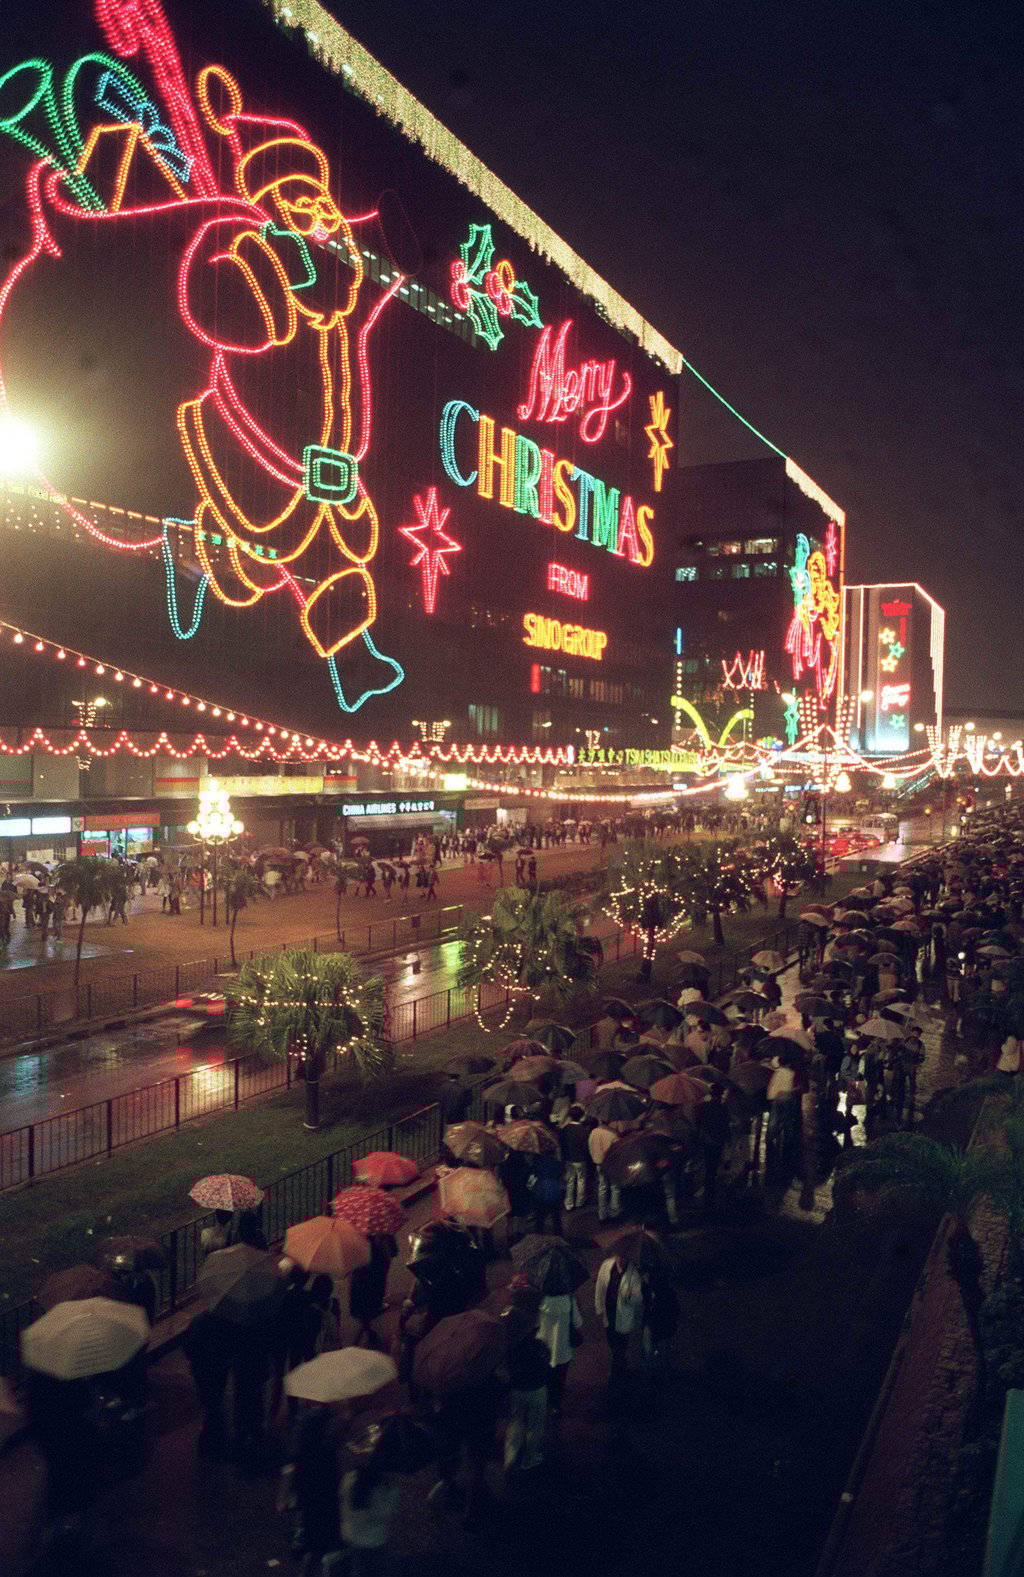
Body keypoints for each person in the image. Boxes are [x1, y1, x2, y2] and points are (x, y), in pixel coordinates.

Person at [339, 1451, 402, 1575]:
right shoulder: (377, 1489)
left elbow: (340, 1498)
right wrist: (394, 1488)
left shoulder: (349, 1478)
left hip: (350, 1534)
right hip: (372, 1539)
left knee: (358, 1565)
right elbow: (387, 1513)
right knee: (379, 1569)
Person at [503, 1319, 550, 1474]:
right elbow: (547, 1362)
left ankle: (510, 1456)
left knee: (516, 1422)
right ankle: (529, 1459)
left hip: (516, 1390)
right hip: (536, 1389)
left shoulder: (509, 1347)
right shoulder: (539, 1346)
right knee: (534, 1426)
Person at [595, 1251, 645, 1390]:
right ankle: (621, 1364)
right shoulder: (606, 1266)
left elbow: (638, 1299)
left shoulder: (633, 1274)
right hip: (609, 1315)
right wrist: (599, 1307)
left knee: (620, 1347)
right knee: (612, 1343)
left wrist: (629, 1296)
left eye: (624, 1256)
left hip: (623, 1318)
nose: (621, 1259)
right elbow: (600, 1287)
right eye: (619, 1255)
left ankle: (616, 1374)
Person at [536, 1286, 584, 1414]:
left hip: (544, 1347)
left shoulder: (540, 1300)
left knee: (547, 1376)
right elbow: (578, 1323)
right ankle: (556, 1405)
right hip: (563, 1348)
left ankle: (547, 1401)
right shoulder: (569, 1300)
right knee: (560, 1378)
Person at [349, 1234, 397, 1348]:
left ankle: (365, 1336)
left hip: (359, 1290)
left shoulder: (356, 1246)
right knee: (367, 1315)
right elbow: (392, 1254)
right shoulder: (378, 1247)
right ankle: (360, 1340)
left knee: (364, 1315)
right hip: (369, 1292)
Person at [698, 1084, 732, 1213]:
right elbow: (725, 1126)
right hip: (718, 1140)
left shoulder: (705, 1107)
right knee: (714, 1165)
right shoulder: (723, 1108)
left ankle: (709, 1186)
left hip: (707, 1139)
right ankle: (711, 1188)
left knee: (709, 1166)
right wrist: (728, 1139)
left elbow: (702, 1122)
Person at [560, 1103, 592, 1211]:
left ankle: (569, 1203)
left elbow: (563, 1144)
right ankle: (580, 1201)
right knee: (581, 1180)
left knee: (570, 1181)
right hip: (581, 1159)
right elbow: (586, 1147)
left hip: (569, 1158)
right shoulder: (584, 1131)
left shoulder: (565, 1129)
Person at [589, 1123, 622, 1221]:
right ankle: (614, 1212)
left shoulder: (593, 1132)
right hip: (612, 1164)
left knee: (602, 1188)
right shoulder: (613, 1133)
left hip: (599, 1164)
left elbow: (590, 1147)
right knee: (615, 1187)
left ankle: (602, 1213)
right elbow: (619, 1150)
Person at [526, 1149, 563, 1236]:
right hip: (554, 1192)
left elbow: (532, 1174)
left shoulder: (537, 1162)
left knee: (540, 1218)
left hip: (541, 1192)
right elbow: (560, 1174)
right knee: (556, 1218)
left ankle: (539, 1236)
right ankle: (558, 1237)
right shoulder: (556, 1163)